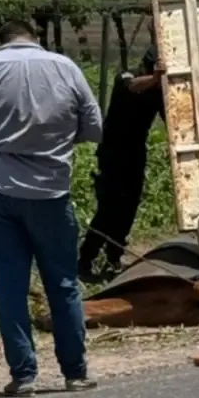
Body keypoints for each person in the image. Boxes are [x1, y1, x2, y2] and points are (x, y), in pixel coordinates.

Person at [0, 20, 103, 396]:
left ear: (1, 42)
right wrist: (58, 141)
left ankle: (24, 375)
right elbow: (94, 126)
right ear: (36, 38)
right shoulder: (66, 68)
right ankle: (75, 372)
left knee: (10, 283)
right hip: (51, 190)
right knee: (63, 283)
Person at [77, 44, 165, 281]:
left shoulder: (159, 91)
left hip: (136, 152)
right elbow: (132, 86)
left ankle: (113, 257)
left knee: (129, 207)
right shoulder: (127, 77)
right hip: (113, 152)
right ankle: (86, 259)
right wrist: (156, 78)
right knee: (109, 208)